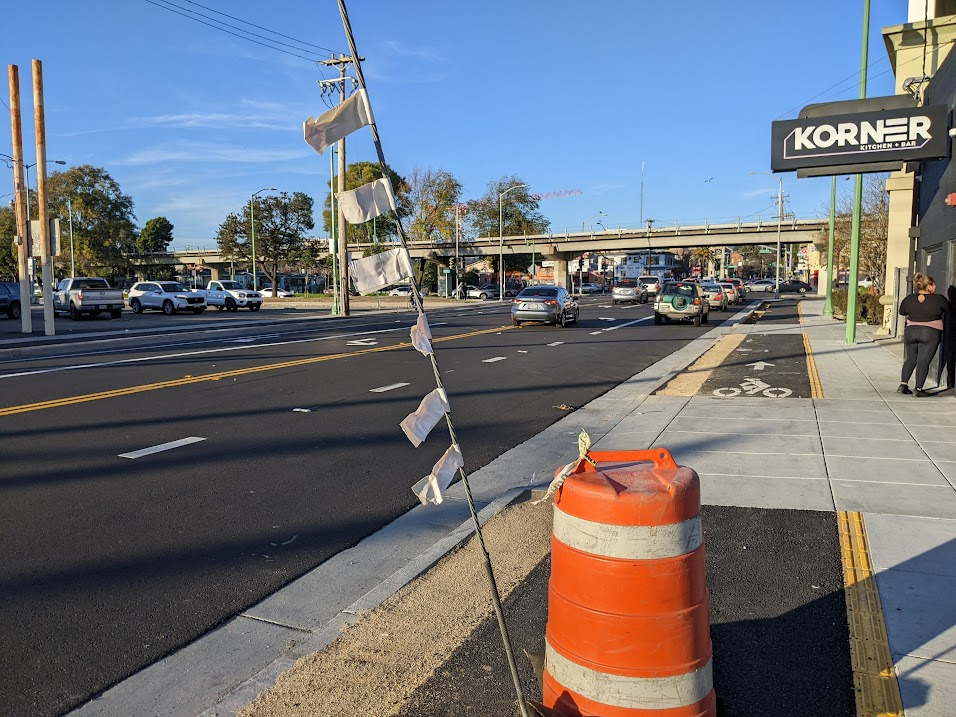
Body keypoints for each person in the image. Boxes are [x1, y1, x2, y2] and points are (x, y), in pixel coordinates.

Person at [898, 273, 949, 397]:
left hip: (910, 331)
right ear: (929, 286)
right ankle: (918, 389)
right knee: (923, 361)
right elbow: (949, 309)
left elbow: (902, 311)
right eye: (934, 285)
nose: (935, 287)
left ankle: (903, 385)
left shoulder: (909, 299)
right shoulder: (939, 299)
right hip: (930, 333)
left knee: (910, 358)